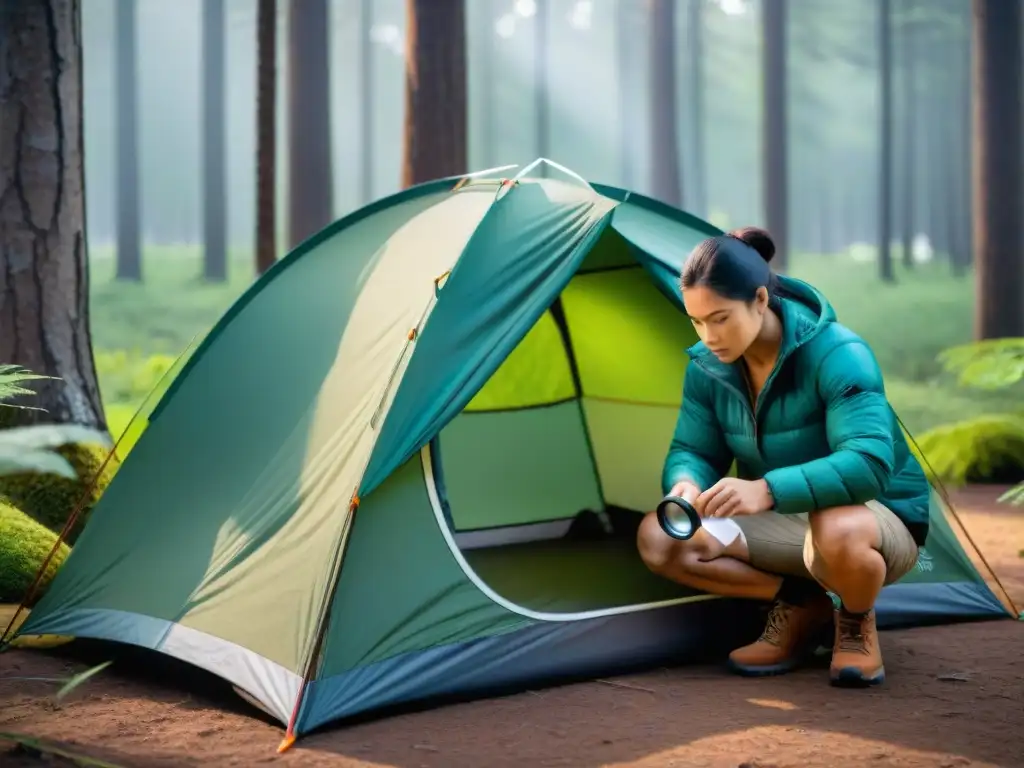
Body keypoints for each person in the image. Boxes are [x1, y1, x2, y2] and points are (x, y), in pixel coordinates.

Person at [636, 226, 931, 688]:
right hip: (784, 516)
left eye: (720, 318)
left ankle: (853, 623)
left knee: (837, 526)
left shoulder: (839, 353)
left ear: (759, 299)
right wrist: (687, 483)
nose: (709, 336)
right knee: (662, 537)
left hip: (875, 517)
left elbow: (870, 463)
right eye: (696, 321)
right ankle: (802, 604)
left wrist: (767, 489)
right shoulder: (708, 367)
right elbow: (692, 449)